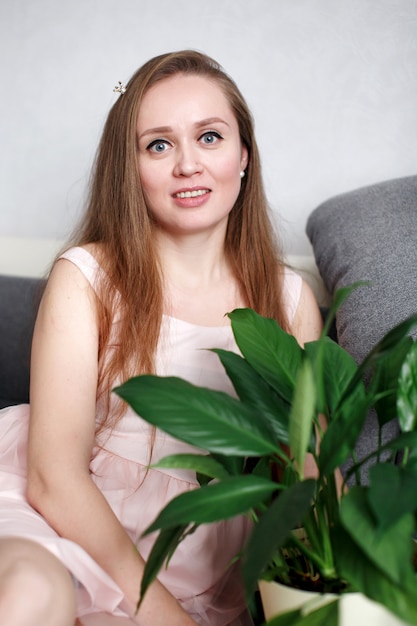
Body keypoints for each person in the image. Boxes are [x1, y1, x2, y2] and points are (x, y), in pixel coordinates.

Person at [0, 50, 323, 626]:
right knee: (28, 594)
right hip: (62, 525)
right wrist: (164, 614)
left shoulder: (289, 302)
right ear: (131, 167)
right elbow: (54, 480)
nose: (188, 165)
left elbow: (311, 485)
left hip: (203, 567)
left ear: (244, 155)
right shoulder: (87, 277)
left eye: (210, 137)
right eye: (159, 144)